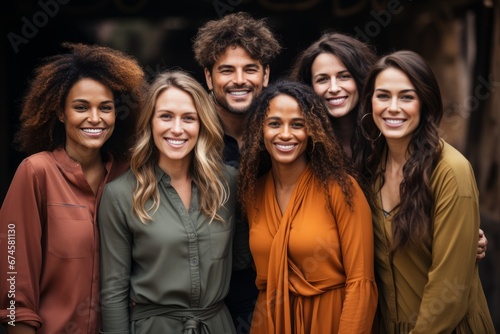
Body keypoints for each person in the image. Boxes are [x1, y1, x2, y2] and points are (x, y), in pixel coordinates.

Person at [289, 31, 488, 260]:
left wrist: (460, 235)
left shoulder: (389, 137)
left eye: (344, 76)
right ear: (308, 88)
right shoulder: (302, 144)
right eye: (322, 79)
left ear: (363, 80)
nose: (333, 88)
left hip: (386, 275)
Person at [0, 43, 145, 334]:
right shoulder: (36, 172)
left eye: (105, 108)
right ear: (61, 113)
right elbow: (14, 282)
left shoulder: (130, 176)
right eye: (81, 107)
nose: (95, 118)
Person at [356, 50, 495, 333]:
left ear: (425, 103)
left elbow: (449, 290)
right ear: (370, 102)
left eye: (407, 97)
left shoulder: (451, 171)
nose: (393, 107)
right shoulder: (370, 169)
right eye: (383, 96)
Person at [98, 70, 241, 333]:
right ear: (150, 122)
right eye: (166, 116)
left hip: (217, 325)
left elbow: (244, 260)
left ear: (202, 124)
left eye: (189, 118)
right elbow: (113, 292)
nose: (177, 129)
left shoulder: (229, 183)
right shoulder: (119, 195)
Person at [239, 79, 378, 333]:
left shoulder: (341, 189)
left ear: (312, 130)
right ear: (260, 130)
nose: (285, 134)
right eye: (274, 124)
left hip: (329, 320)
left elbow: (361, 282)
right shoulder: (253, 193)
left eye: (298, 124)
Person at [192, 11, 282, 332]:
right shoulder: (187, 136)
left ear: (266, 74)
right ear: (208, 77)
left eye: (251, 69)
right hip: (202, 300)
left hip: (274, 293)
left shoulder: (285, 135)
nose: (239, 80)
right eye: (227, 70)